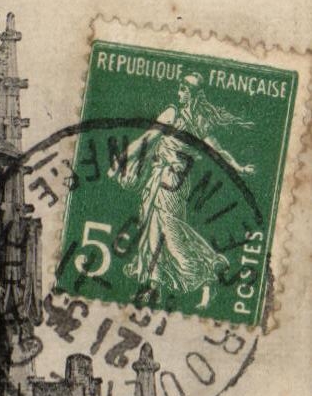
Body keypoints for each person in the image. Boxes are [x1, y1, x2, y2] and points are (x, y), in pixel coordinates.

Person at [107, 72, 255, 309]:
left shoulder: (200, 124)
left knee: (172, 233)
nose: (180, 93)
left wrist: (238, 166)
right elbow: (147, 139)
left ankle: (208, 272)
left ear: (195, 95)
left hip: (175, 183)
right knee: (151, 231)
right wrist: (122, 160)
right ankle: (152, 288)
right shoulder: (171, 114)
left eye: (185, 90)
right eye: (180, 89)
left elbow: (217, 151)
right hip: (157, 178)